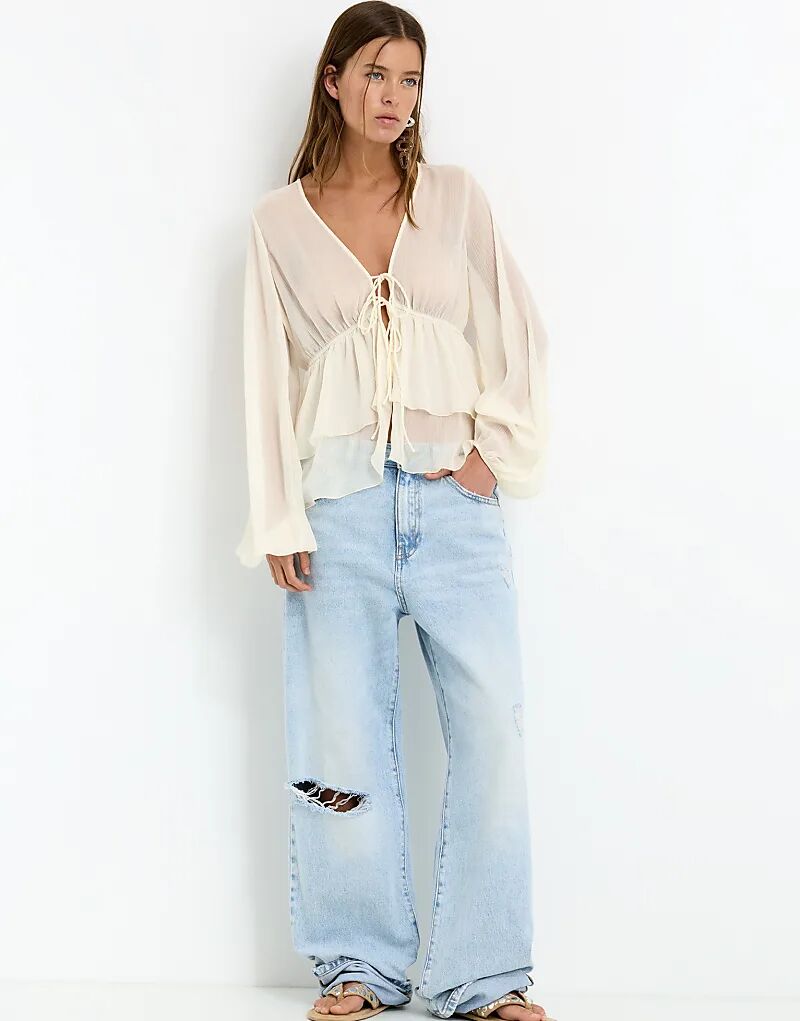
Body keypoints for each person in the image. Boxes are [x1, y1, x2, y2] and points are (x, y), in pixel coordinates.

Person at [235, 4, 554, 1021]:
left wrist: (489, 452)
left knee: (493, 732)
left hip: (454, 508)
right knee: (340, 744)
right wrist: (279, 518)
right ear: (332, 79)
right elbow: (265, 380)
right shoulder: (277, 222)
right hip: (338, 514)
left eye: (410, 79)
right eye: (375, 74)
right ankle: (359, 968)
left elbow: (519, 335)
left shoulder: (454, 200)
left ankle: (484, 977)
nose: (393, 97)